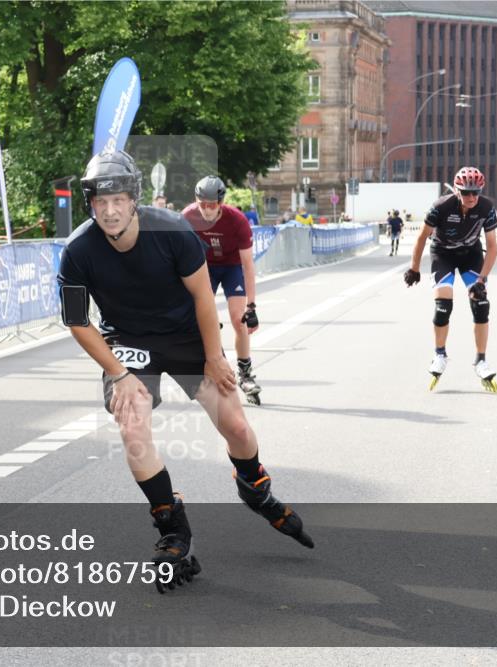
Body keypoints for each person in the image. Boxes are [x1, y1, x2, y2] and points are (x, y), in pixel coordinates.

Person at [57, 151, 313, 593]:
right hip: (128, 342)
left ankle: (254, 487)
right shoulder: (78, 251)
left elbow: (202, 297)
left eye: (118, 200)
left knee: (236, 425)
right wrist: (118, 374)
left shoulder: (173, 231)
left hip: (187, 334)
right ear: (90, 204)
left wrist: (214, 357)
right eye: (101, 202)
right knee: (131, 423)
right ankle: (172, 528)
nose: (110, 210)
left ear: (134, 199)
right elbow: (78, 322)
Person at [404, 166, 497, 393]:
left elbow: (493, 247)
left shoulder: (486, 207)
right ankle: (440, 355)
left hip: (471, 255)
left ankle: (481, 360)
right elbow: (421, 238)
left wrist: (482, 280)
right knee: (443, 305)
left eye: (476, 192)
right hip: (443, 254)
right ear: (457, 191)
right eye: (466, 192)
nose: (472, 197)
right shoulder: (441, 207)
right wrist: (414, 268)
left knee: (481, 303)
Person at [182, 176, 262, 405]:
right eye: (202, 204)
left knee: (239, 319)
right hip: (204, 267)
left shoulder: (237, 220)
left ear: (221, 202)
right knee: (204, 318)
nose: (207, 210)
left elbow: (248, 265)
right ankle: (216, 364)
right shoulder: (187, 217)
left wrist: (251, 306)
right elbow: (178, 257)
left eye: (212, 205)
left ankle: (245, 373)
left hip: (231, 267)